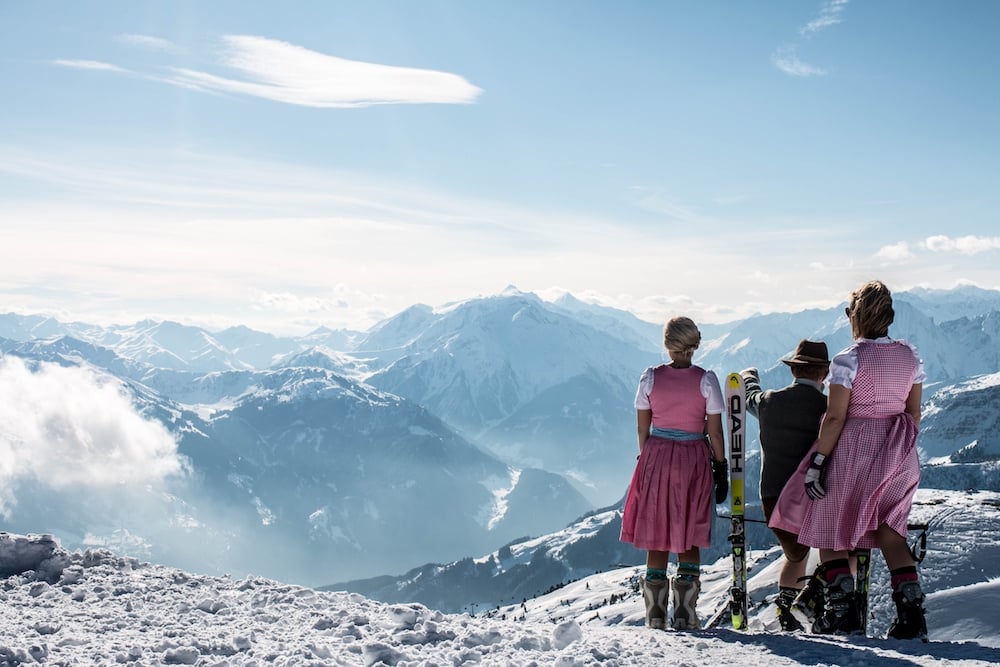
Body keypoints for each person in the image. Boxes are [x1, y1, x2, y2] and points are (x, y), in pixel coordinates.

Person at [770, 280, 928, 640]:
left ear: (852, 316)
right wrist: (897, 444)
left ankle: (842, 613)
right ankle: (911, 616)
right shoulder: (910, 356)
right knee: (891, 529)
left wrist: (818, 462)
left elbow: (836, 417)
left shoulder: (848, 360)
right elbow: (913, 412)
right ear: (889, 316)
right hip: (900, 449)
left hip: (856, 447)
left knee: (829, 523)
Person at [620, 316, 729, 630]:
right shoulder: (706, 380)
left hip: (656, 454)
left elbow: (643, 425)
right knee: (689, 531)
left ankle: (655, 614)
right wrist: (720, 467)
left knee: (657, 532)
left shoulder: (650, 378)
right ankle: (685, 612)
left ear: (667, 344)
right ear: (695, 342)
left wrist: (647, 456)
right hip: (693, 457)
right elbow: (716, 434)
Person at [740, 339, 830, 632]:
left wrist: (748, 377)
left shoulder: (770, 402)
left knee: (796, 555)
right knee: (844, 552)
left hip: (775, 500)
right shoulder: (830, 409)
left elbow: (749, 394)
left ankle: (786, 610)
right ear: (824, 375)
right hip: (816, 497)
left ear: (793, 371)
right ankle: (813, 595)